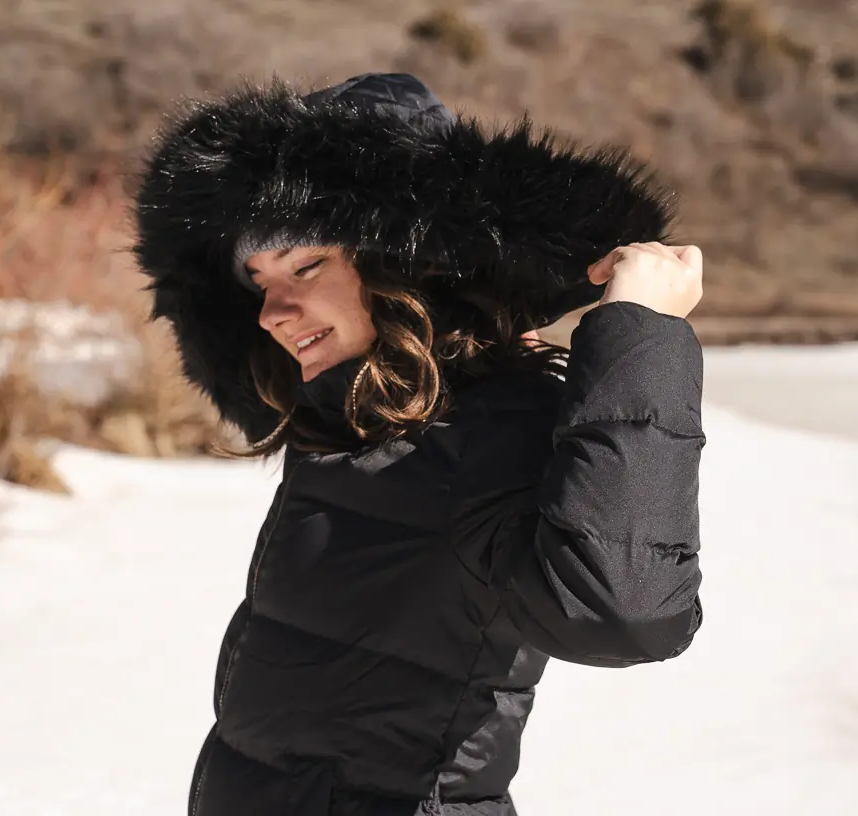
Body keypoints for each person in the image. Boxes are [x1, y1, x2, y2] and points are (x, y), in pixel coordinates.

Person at [133, 72, 706, 816]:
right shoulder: (349, 425)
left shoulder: (487, 429)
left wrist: (640, 332)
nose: (273, 311)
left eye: (306, 265)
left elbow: (621, 611)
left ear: (404, 264)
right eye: (259, 281)